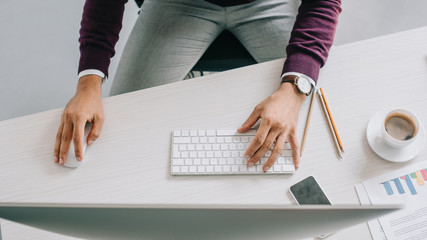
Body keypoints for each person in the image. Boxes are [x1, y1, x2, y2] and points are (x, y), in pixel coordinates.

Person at [54, 0, 342, 172]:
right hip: (178, 5)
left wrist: (294, 85)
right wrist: (88, 83)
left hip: (266, 3)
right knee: (115, 131)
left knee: (314, 125)